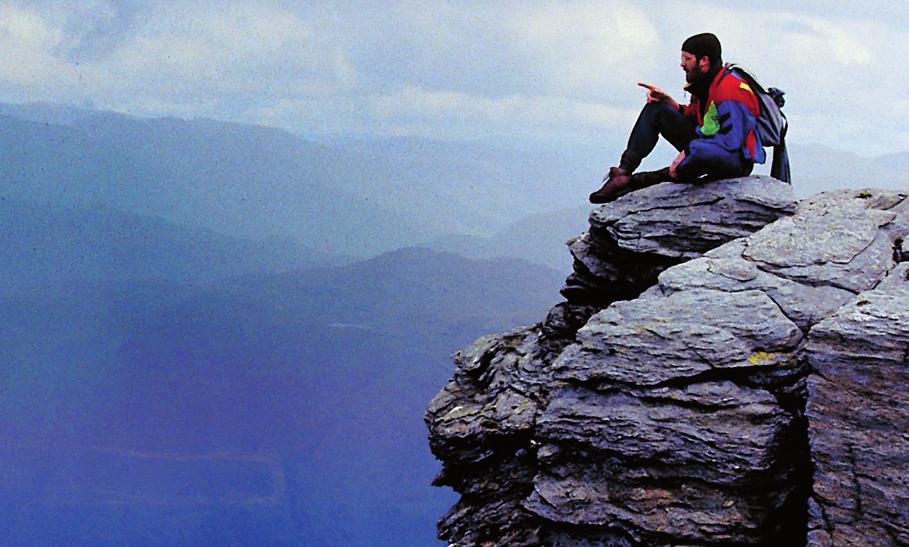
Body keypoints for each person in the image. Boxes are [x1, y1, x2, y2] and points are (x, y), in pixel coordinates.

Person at [589, 33, 766, 204]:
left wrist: (690, 150)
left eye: (687, 59)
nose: (682, 64)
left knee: (696, 155)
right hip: (708, 145)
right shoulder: (709, 82)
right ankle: (623, 173)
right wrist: (672, 104)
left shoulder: (731, 90)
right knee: (656, 109)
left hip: (734, 160)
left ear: (703, 61)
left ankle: (636, 182)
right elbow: (702, 120)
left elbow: (732, 141)